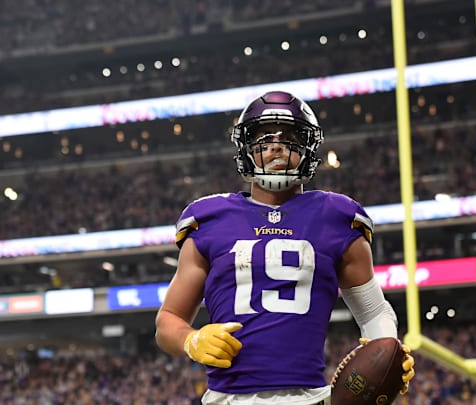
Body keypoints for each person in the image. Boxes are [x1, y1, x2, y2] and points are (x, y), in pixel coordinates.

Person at [155, 90, 415, 404]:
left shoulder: (337, 217)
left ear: (308, 147)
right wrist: (191, 339)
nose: (277, 144)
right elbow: (168, 320)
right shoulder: (209, 219)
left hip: (309, 398)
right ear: (246, 148)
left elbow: (373, 310)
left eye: (289, 135)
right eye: (264, 137)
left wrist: (387, 349)